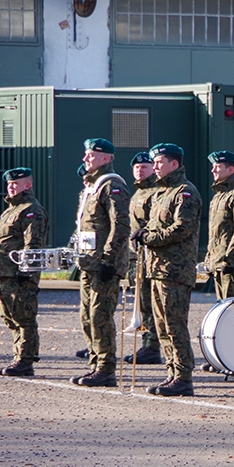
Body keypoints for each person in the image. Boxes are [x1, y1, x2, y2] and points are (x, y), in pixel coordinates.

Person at [131, 143, 201, 397]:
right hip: (157, 268)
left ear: (174, 164)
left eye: (159, 162)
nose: (155, 167)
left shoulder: (185, 192)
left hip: (175, 269)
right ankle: (172, 373)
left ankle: (183, 376)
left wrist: (150, 237)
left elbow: (182, 228)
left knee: (174, 324)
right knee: (161, 325)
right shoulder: (161, 193)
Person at [70, 138, 131, 388]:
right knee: (87, 316)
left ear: (106, 158)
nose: (86, 159)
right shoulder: (91, 186)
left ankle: (106, 369)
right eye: (86, 154)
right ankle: (95, 364)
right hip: (88, 262)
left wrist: (109, 258)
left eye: (92, 155)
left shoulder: (112, 185)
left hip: (104, 263)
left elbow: (121, 225)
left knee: (100, 316)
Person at [0, 168, 48, 377]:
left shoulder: (31, 210)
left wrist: (26, 270)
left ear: (28, 185)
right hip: (5, 273)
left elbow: (32, 243)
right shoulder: (11, 210)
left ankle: (25, 361)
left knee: (24, 317)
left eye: (16, 184)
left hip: (19, 275)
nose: (11, 187)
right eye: (9, 184)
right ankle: (20, 357)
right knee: (10, 316)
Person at [123, 152, 163, 365]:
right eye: (136, 167)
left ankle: (151, 346)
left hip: (149, 255)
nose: (140, 169)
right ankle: (148, 343)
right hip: (135, 255)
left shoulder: (155, 192)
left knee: (149, 302)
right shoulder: (138, 193)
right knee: (141, 302)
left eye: (145, 166)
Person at [203, 151, 234, 300]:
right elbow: (216, 233)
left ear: (230, 170)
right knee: (222, 308)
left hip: (233, 266)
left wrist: (230, 259)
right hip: (219, 264)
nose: (213, 170)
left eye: (217, 166)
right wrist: (210, 259)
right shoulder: (219, 196)